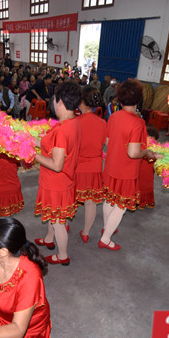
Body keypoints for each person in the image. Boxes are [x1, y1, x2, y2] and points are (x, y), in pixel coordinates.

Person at [101, 79, 161, 250]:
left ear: (119, 99)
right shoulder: (137, 122)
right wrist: (147, 152)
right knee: (121, 206)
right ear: (138, 100)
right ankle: (105, 238)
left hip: (111, 166)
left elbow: (107, 141)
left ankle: (107, 227)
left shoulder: (113, 117)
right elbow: (133, 153)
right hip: (126, 171)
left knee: (110, 200)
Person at [34, 81, 82, 265]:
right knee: (53, 216)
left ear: (60, 101)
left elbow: (56, 164)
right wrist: (29, 140)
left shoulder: (62, 130)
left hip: (56, 184)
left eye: (54, 99)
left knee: (58, 221)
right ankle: (48, 239)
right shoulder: (73, 123)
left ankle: (62, 255)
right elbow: (51, 145)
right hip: (63, 181)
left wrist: (32, 154)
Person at [75, 86, 107, 243]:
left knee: (70, 199)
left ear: (81, 102)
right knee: (90, 202)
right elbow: (107, 143)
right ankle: (86, 233)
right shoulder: (102, 123)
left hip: (76, 167)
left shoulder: (75, 122)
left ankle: (64, 224)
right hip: (94, 168)